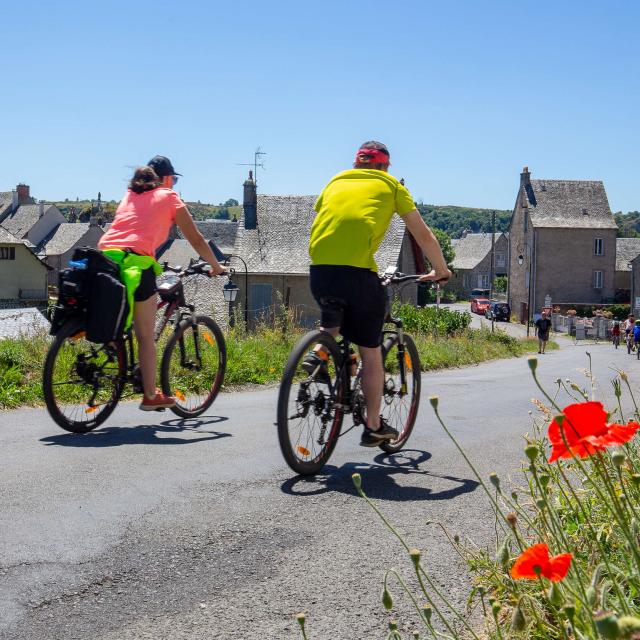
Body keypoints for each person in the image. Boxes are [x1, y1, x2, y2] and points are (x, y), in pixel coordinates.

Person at [304, 141, 451, 447]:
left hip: (319, 270)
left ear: (357, 164)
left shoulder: (335, 181)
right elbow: (422, 234)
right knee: (370, 350)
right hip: (357, 273)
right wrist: (440, 269)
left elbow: (329, 221)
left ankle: (319, 352)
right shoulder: (391, 186)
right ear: (385, 167)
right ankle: (373, 425)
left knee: (334, 318)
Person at [98, 156, 225, 410]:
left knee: (121, 315)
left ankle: (114, 351)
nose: (174, 184)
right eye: (174, 179)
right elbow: (197, 240)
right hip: (137, 264)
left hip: (105, 260)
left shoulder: (130, 195)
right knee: (145, 336)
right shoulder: (169, 197)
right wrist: (216, 265)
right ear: (166, 179)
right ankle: (150, 395)